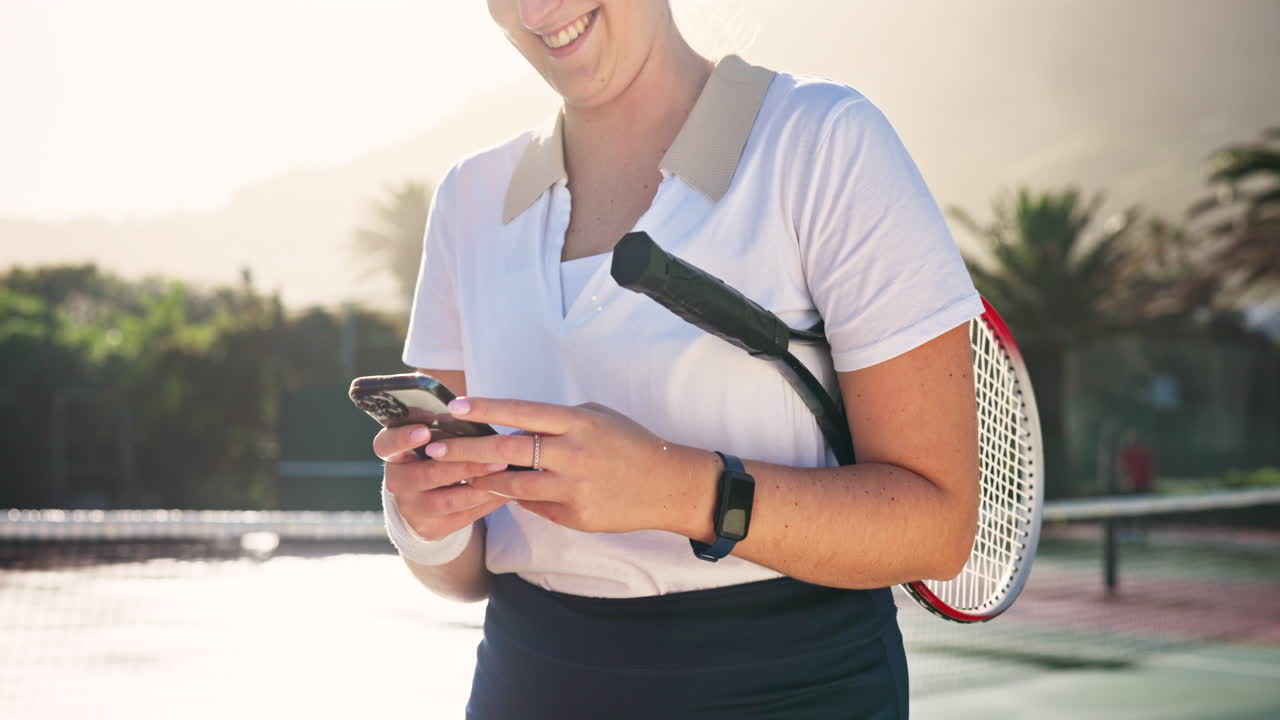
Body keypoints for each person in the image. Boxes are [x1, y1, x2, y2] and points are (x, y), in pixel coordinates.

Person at [372, 1, 982, 717]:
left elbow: (938, 527)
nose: (537, 9)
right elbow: (467, 571)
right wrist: (422, 521)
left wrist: (677, 490)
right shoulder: (466, 200)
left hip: (792, 686)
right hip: (527, 683)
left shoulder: (824, 142)